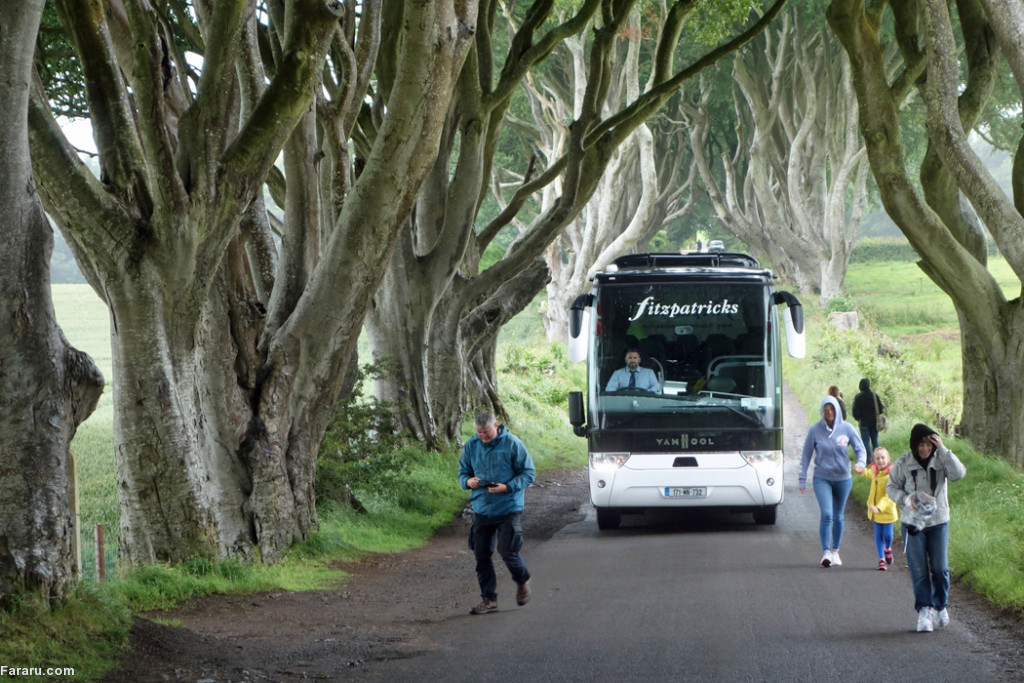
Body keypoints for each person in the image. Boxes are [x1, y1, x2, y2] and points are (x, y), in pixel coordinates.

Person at [886, 423, 966, 633]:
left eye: (929, 444)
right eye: (921, 444)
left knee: (940, 568)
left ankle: (940, 605)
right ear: (914, 445)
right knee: (919, 568)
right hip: (913, 523)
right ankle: (924, 610)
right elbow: (891, 487)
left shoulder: (942, 458)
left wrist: (943, 449)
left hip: (938, 522)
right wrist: (906, 499)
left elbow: (958, 474)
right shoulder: (904, 462)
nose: (925, 449)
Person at [458, 411, 536, 614]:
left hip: (508, 507)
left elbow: (528, 474)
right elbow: (462, 473)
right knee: (481, 555)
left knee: (508, 552)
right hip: (482, 508)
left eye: (486, 432)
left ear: (496, 426)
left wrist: (507, 487)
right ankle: (489, 600)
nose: (482, 437)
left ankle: (523, 580)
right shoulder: (471, 446)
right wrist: (468, 482)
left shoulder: (512, 444)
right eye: (479, 433)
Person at [799, 395, 867, 568]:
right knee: (827, 514)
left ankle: (835, 551)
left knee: (838, 516)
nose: (829, 412)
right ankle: (825, 553)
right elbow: (806, 455)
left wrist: (860, 463)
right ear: (823, 411)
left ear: (837, 410)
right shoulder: (815, 430)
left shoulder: (847, 428)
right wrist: (802, 478)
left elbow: (861, 449)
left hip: (843, 479)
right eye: (826, 409)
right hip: (822, 478)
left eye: (832, 409)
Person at [859, 447, 898, 571]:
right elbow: (868, 474)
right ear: (874, 460)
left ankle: (888, 548)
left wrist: (879, 507)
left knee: (888, 536)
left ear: (888, 459)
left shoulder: (891, 475)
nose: (880, 461)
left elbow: (889, 495)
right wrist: (861, 471)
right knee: (878, 535)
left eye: (883, 458)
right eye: (877, 458)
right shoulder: (874, 471)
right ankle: (881, 559)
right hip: (874, 511)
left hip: (887, 511)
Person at [852, 378, 885, 460]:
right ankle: (877, 458)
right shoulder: (874, 395)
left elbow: (854, 411)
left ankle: (868, 460)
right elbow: (881, 409)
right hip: (874, 422)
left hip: (863, 422)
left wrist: (858, 418)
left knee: (865, 442)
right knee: (875, 441)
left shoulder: (858, 397)